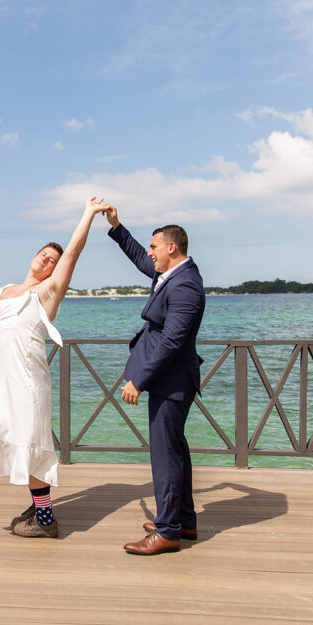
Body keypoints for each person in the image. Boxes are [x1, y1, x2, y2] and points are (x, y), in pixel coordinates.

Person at [0, 196, 112, 538]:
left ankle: (47, 520)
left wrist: (88, 214)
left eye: (53, 260)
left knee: (32, 446)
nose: (47, 259)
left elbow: (73, 254)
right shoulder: (4, 291)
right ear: (33, 255)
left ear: (54, 270)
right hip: (6, 386)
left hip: (30, 385)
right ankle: (39, 507)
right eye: (44, 254)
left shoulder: (47, 294)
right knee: (10, 438)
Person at [104, 206, 205, 555]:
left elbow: (173, 341)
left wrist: (140, 381)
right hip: (168, 379)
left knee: (165, 456)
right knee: (175, 448)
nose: (150, 253)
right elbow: (136, 256)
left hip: (171, 380)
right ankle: (184, 519)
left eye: (154, 247)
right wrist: (116, 226)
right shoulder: (169, 274)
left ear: (171, 248)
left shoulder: (187, 285)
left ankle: (167, 531)